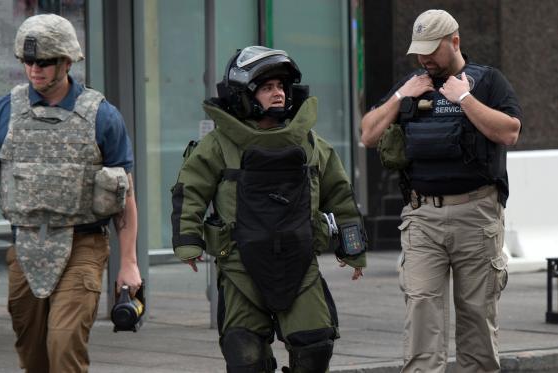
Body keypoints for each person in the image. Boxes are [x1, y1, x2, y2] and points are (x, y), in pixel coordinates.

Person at [0, 14, 141, 373]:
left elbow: (125, 194)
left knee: (64, 344)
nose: (34, 70)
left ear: (67, 61)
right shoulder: (2, 112)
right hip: (24, 246)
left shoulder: (102, 115)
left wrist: (130, 262)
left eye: (44, 62)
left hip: (83, 245)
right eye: (28, 61)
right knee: (33, 356)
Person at [171, 46, 367, 373]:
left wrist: (354, 248)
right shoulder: (219, 145)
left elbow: (341, 197)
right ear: (244, 95)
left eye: (280, 86)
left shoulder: (310, 144)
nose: (277, 94)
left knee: (315, 347)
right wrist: (188, 240)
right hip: (239, 266)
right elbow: (190, 190)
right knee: (245, 356)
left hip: (300, 261)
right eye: (266, 88)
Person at [360, 9, 522, 373]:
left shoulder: (488, 81)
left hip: (476, 215)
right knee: (421, 314)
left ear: (455, 41)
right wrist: (402, 94)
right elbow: (367, 134)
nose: (424, 58)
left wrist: (464, 98)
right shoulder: (414, 83)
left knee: (477, 317)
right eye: (418, 50)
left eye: (432, 49)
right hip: (421, 217)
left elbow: (510, 132)